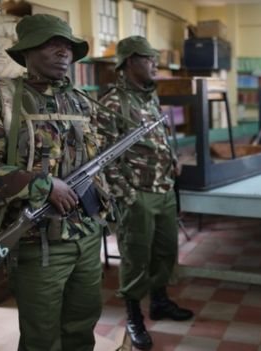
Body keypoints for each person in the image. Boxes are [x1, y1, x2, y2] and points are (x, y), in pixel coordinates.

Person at [0, 14, 110, 351]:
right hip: (38, 245)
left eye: (67, 45)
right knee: (41, 340)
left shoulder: (81, 102)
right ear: (26, 51)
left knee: (82, 329)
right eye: (52, 43)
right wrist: (43, 185)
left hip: (86, 236)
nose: (63, 51)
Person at [97, 36, 193, 350]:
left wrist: (173, 158)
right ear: (128, 63)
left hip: (163, 188)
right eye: (148, 58)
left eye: (154, 57)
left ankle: (160, 301)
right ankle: (134, 316)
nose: (154, 63)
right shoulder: (113, 102)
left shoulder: (150, 97)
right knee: (136, 258)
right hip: (137, 194)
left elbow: (160, 134)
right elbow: (105, 158)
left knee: (166, 252)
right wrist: (128, 197)